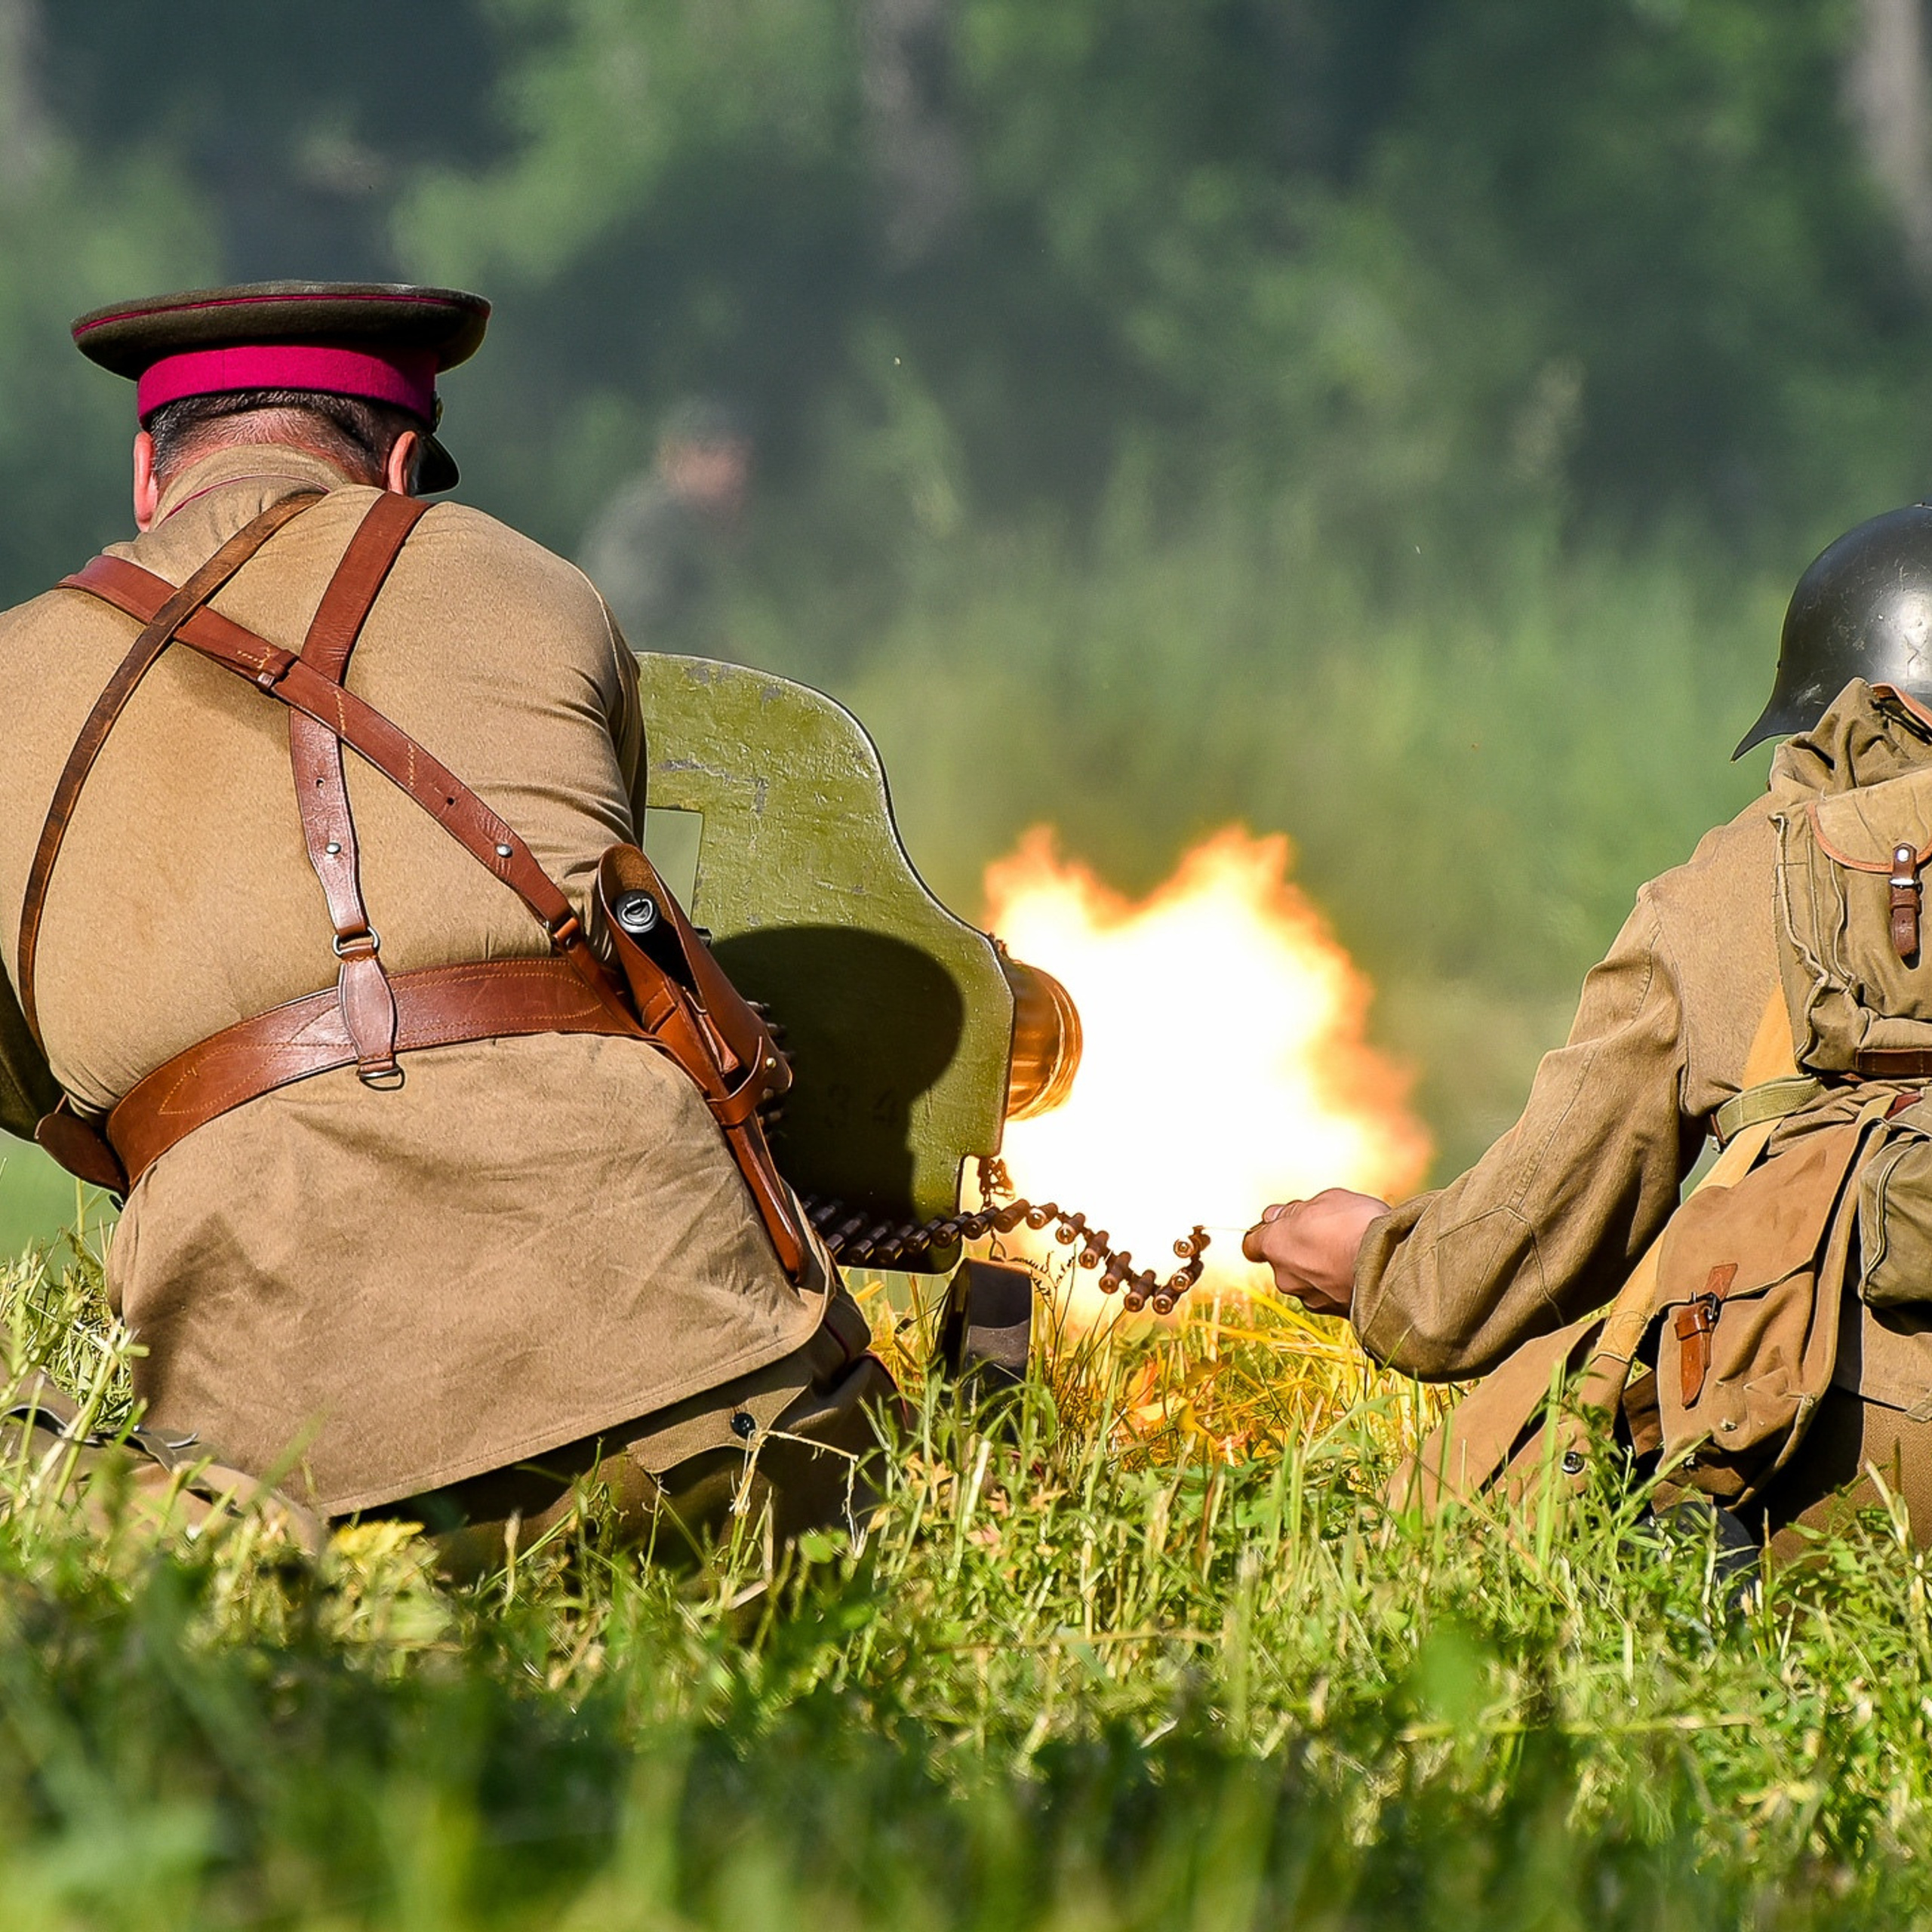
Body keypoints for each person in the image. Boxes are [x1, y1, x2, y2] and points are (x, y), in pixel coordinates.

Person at [0, 281, 891, 1565]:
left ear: (148, 475)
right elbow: (606, 922)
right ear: (405, 463)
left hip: (297, 1488)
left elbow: (34, 1086)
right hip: (717, 1419)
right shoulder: (539, 586)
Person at [1244, 503, 1932, 1547]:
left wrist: (1375, 1265)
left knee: (1562, 1417)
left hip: (1866, 1475)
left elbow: (1532, 1236)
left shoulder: (1732, 890)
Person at [578, 398, 754, 650]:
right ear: (680, 457)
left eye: (741, 459)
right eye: (717, 453)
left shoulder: (693, 523)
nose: (734, 472)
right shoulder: (655, 522)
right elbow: (630, 615)